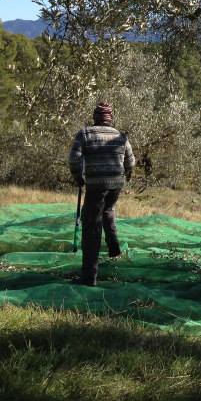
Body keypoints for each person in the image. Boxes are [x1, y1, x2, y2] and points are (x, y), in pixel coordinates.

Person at [68, 101, 135, 286]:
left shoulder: (85, 133)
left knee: (92, 226)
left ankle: (90, 277)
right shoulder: (121, 136)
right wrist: (125, 175)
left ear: (95, 118)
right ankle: (114, 250)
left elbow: (74, 159)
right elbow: (131, 162)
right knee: (108, 210)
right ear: (110, 119)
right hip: (116, 183)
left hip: (95, 184)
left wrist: (78, 177)